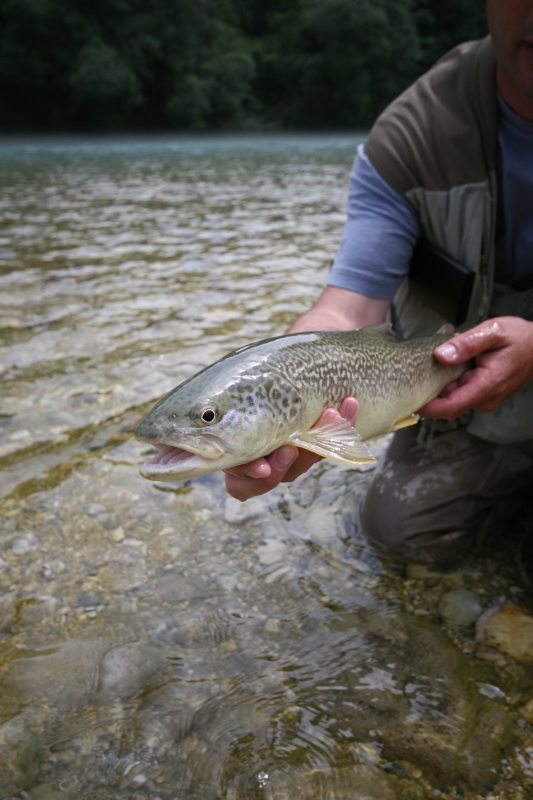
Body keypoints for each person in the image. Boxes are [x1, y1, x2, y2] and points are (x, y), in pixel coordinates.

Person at [225, 1, 533, 576]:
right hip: (454, 393)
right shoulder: (410, 138)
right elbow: (346, 311)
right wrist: (291, 400)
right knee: (397, 530)